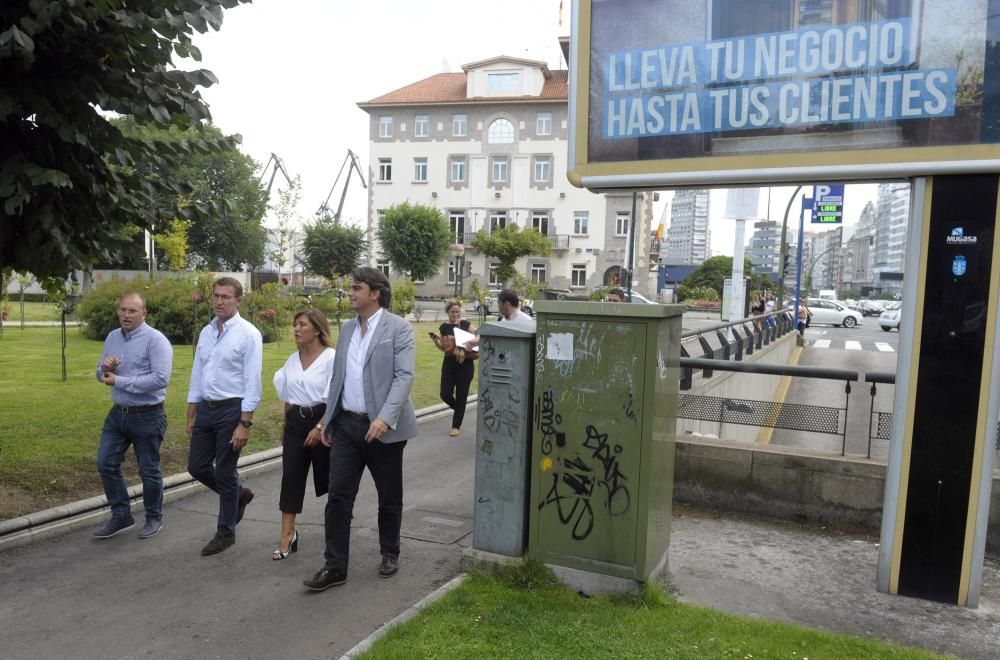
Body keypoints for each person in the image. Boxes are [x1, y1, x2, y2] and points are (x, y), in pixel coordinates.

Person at [304, 267, 418, 591]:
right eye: (350, 288)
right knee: (338, 497)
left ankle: (389, 551)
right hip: (347, 428)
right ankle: (334, 566)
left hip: (383, 430)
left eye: (356, 288)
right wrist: (326, 419)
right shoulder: (345, 329)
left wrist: (384, 417)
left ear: (375, 293)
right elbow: (338, 378)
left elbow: (404, 377)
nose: (350, 293)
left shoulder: (399, 329)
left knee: (388, 495)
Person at [186, 277, 263, 556]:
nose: (219, 301)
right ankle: (239, 495)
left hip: (232, 409)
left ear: (238, 301)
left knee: (226, 470)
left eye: (226, 297)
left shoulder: (248, 334)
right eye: (216, 296)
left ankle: (225, 532)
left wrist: (245, 423)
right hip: (206, 408)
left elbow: (252, 381)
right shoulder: (207, 332)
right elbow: (198, 372)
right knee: (196, 466)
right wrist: (192, 411)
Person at [92, 293, 173, 540]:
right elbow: (99, 373)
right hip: (118, 415)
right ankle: (121, 515)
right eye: (123, 310)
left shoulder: (156, 341)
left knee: (148, 470)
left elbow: (160, 379)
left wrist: (120, 380)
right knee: (105, 462)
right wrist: (105, 369)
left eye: (132, 311)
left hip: (148, 415)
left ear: (144, 313)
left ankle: (153, 517)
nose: (126, 315)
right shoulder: (113, 337)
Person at [271, 308, 336, 560]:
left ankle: (337, 530)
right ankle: (287, 535)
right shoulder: (292, 359)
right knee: (291, 479)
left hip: (323, 422)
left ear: (317, 329)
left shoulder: (331, 358)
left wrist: (320, 427)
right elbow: (288, 398)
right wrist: (285, 427)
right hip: (296, 425)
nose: (296, 329)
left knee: (331, 480)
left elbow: (336, 397)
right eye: (295, 324)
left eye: (302, 325)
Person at [430, 301, 476, 438]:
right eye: (452, 312)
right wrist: (436, 342)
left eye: (457, 311)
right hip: (449, 363)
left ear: (460, 312)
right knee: (445, 393)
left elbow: (478, 336)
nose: (455, 314)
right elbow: (445, 348)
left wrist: (462, 348)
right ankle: (459, 409)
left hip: (465, 364)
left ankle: (456, 426)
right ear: (448, 313)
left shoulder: (466, 325)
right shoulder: (444, 327)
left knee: (461, 395)